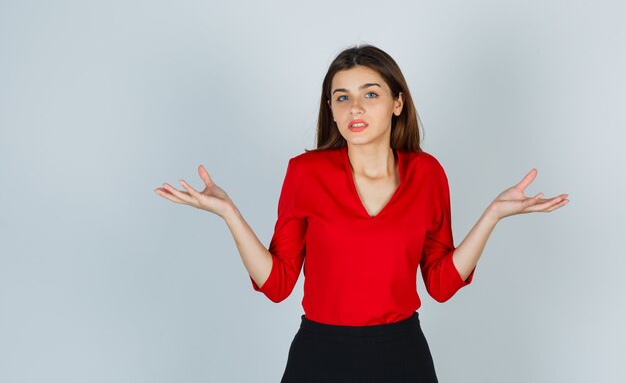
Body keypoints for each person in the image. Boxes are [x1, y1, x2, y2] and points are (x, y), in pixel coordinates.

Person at [154, 44, 570, 382]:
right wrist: (229, 213)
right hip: (319, 356)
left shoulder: (427, 174)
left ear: (397, 103)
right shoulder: (305, 173)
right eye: (342, 97)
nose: (355, 107)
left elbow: (441, 283)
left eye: (370, 93)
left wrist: (492, 215)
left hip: (403, 356)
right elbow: (279, 282)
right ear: (332, 111)